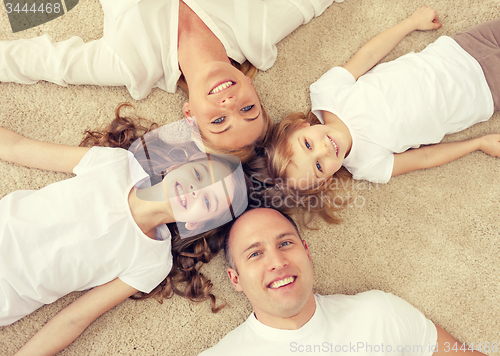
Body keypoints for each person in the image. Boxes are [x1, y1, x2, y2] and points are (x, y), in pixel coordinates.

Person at [0, 112, 248, 355]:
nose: (196, 190)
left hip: (10, 292)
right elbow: (19, 148)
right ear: (177, 166)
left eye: (207, 202)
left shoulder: (153, 262)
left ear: (195, 224)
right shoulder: (117, 164)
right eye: (198, 175)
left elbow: (75, 318)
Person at [0, 0, 342, 156]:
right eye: (248, 109)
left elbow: (42, 62)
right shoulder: (260, 31)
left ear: (190, 114)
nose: (230, 103)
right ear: (253, 89)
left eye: (220, 120)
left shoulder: (133, 65)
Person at [253, 6, 500, 220]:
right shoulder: (368, 165)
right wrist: (477, 143)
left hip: (458, 50)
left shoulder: (327, 94)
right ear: (326, 180)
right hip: (484, 95)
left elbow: (368, 54)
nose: (323, 149)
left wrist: (411, 23)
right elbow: (425, 158)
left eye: (307, 144)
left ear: (300, 126)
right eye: (318, 165)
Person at [200, 207, 487, 355]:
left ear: (306, 252)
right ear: (235, 279)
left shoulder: (379, 313)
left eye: (285, 243)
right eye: (255, 254)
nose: (277, 261)